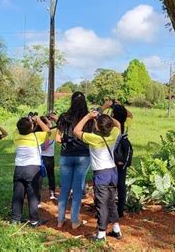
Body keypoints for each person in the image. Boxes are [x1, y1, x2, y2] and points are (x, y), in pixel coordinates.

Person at [73, 111, 122, 241]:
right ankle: (116, 230)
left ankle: (101, 235)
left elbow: (76, 131)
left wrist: (88, 116)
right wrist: (104, 117)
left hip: (101, 174)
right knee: (111, 203)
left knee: (102, 204)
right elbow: (117, 124)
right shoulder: (114, 133)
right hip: (112, 172)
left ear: (97, 127)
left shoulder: (93, 138)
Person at [55, 91, 92, 229]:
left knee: (64, 188)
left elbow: (58, 139)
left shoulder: (64, 117)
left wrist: (67, 140)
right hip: (83, 156)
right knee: (77, 189)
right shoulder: (89, 119)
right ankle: (74, 221)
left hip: (66, 155)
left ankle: (60, 219)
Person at [11, 114, 56, 227]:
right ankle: (34, 221)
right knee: (33, 195)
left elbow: (19, 128)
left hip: (19, 169)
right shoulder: (36, 137)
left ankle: (15, 219)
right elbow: (48, 131)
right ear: (31, 127)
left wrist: (26, 121)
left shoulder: (16, 135)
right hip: (32, 170)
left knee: (18, 194)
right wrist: (38, 120)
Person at [100, 100, 133, 218]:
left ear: (113, 115)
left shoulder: (112, 125)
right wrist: (120, 106)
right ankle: (120, 211)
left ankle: (108, 210)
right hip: (123, 155)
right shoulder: (127, 122)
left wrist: (106, 107)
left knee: (110, 185)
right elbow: (129, 114)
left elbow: (102, 119)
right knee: (121, 184)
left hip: (111, 156)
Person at [37, 114, 58, 202]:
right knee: (50, 175)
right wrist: (54, 119)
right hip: (48, 157)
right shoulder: (51, 132)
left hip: (40, 157)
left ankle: (37, 197)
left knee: (40, 177)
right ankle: (52, 193)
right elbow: (60, 125)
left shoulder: (37, 133)